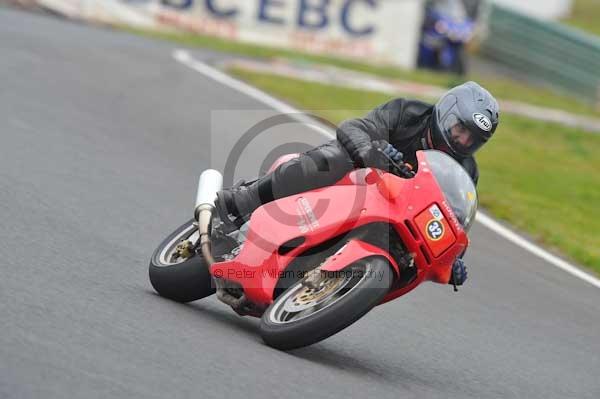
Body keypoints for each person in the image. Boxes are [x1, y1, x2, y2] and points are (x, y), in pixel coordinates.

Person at [215, 81, 500, 287]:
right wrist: (371, 151)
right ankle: (244, 201)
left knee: (413, 263)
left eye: (472, 139)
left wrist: (454, 260)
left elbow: (455, 222)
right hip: (358, 181)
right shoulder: (407, 112)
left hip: (396, 217)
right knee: (333, 157)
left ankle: (331, 291)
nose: (463, 141)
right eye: (460, 130)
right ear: (446, 113)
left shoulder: (466, 173)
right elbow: (356, 127)